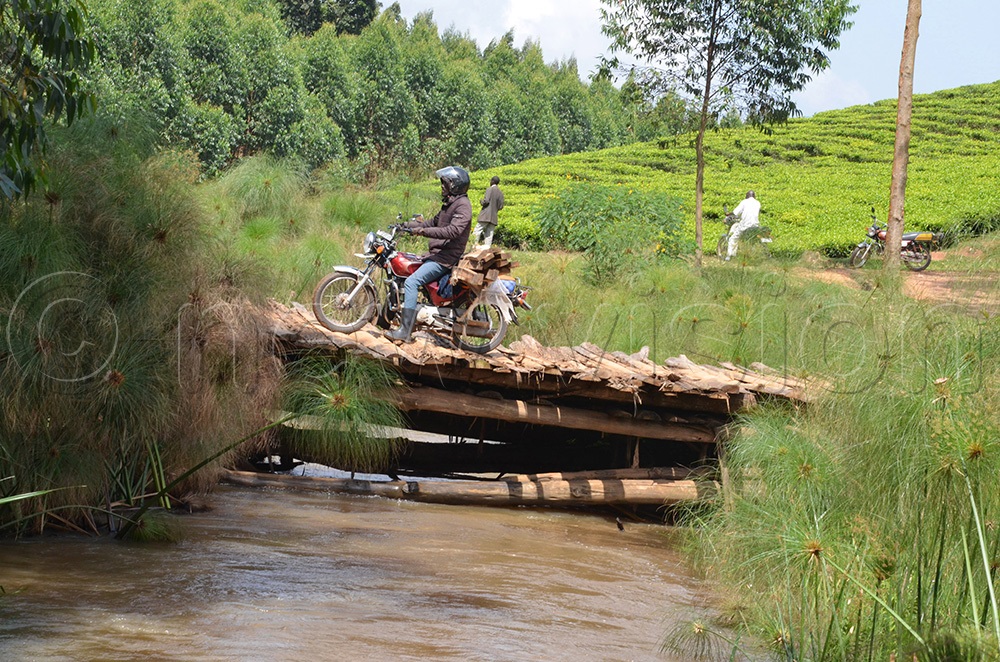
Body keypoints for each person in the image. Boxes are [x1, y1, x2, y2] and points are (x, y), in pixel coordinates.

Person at [387, 165, 473, 342]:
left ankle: (405, 331)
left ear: (455, 185)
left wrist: (422, 232)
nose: (442, 186)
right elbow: (430, 223)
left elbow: (452, 231)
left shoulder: (463, 206)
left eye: (445, 183)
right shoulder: (449, 204)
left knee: (412, 282)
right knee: (403, 273)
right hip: (436, 254)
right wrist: (405, 226)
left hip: (445, 258)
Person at [726, 190, 762, 260]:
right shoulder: (758, 203)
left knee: (733, 238)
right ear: (754, 196)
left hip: (745, 225)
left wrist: (728, 214)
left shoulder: (744, 202)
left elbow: (735, 213)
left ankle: (729, 256)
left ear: (747, 196)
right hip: (755, 225)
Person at [473, 176, 504, 249]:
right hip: (493, 217)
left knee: (477, 230)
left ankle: (473, 245)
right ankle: (487, 249)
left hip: (485, 215)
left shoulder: (489, 189)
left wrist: (481, 202)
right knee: (489, 234)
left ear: (492, 181)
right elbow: (500, 207)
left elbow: (486, 201)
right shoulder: (500, 193)